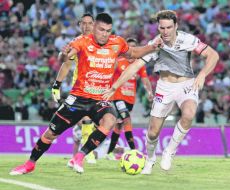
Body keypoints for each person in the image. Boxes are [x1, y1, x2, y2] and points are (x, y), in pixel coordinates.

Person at [9, 12, 161, 175]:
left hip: (99, 99)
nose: (105, 34)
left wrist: (151, 47)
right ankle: (30, 163)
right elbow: (66, 57)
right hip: (78, 98)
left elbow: (133, 53)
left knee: (110, 120)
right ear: (94, 27)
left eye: (108, 30)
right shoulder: (81, 42)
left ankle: (79, 156)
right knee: (51, 133)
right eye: (102, 29)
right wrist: (64, 54)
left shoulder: (117, 43)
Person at [103, 10, 219, 174]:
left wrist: (202, 74)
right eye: (162, 28)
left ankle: (169, 151)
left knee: (189, 114)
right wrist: (114, 87)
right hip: (164, 87)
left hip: (186, 84)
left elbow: (213, 55)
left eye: (169, 28)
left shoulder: (188, 39)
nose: (165, 32)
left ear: (175, 26)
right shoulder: (155, 45)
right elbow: (134, 67)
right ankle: (150, 160)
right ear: (158, 27)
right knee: (152, 133)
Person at [52, 13, 97, 166]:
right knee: (85, 118)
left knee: (97, 120)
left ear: (94, 24)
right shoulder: (76, 43)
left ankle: (84, 148)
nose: (86, 26)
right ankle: (86, 152)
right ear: (79, 25)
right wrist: (57, 84)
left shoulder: (102, 40)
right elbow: (66, 64)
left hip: (99, 85)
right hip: (80, 86)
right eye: (83, 23)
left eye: (89, 23)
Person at [106, 38, 153, 160]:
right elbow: (108, 73)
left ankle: (109, 152)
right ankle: (134, 152)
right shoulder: (119, 61)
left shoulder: (138, 64)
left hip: (130, 100)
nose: (131, 50)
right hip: (117, 97)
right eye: (129, 47)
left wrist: (149, 91)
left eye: (134, 47)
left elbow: (145, 79)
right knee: (126, 119)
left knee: (119, 126)